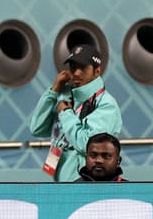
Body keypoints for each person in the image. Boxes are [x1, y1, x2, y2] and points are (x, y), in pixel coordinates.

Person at [29, 44, 122, 182]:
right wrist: (53, 91)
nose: (77, 73)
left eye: (83, 68)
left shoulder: (106, 105)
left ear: (97, 71)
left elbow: (88, 145)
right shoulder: (66, 96)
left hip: (86, 183)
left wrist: (66, 113)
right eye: (73, 68)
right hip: (60, 182)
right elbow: (36, 129)